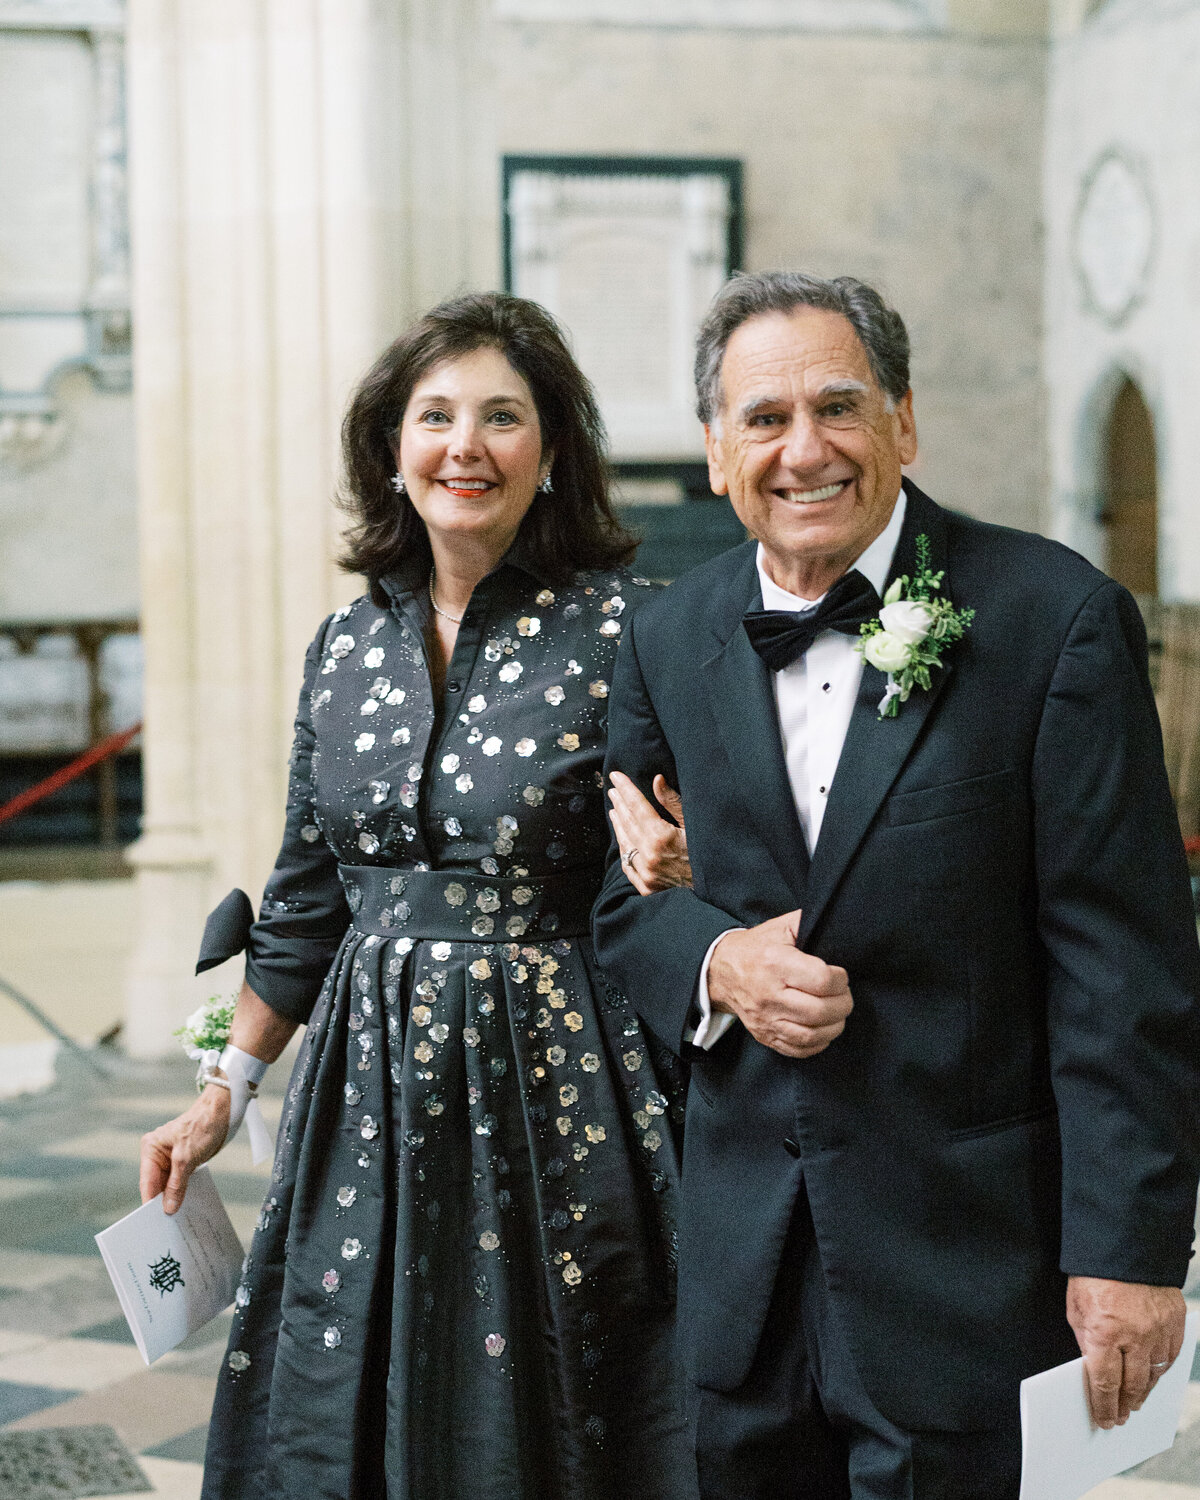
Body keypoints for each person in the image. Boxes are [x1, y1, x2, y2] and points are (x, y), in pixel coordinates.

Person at [593, 269, 1200, 1499]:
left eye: (839, 406)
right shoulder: (667, 637)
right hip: (740, 1262)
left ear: (904, 423)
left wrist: (1132, 1254)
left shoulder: (1053, 617)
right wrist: (719, 962)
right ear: (716, 453)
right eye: (764, 420)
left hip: (966, 1259)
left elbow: (1123, 963)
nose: (802, 449)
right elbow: (620, 901)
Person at [140, 291, 698, 1500]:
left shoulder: (630, 632)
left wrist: (682, 857)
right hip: (367, 1085)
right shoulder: (344, 645)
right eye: (436, 416)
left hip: (567, 1081)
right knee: (351, 1365)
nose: (467, 445)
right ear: (391, 451)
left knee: (567, 1387)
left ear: (552, 453)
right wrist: (220, 1093)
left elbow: (688, 859)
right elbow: (303, 904)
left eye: (504, 417)